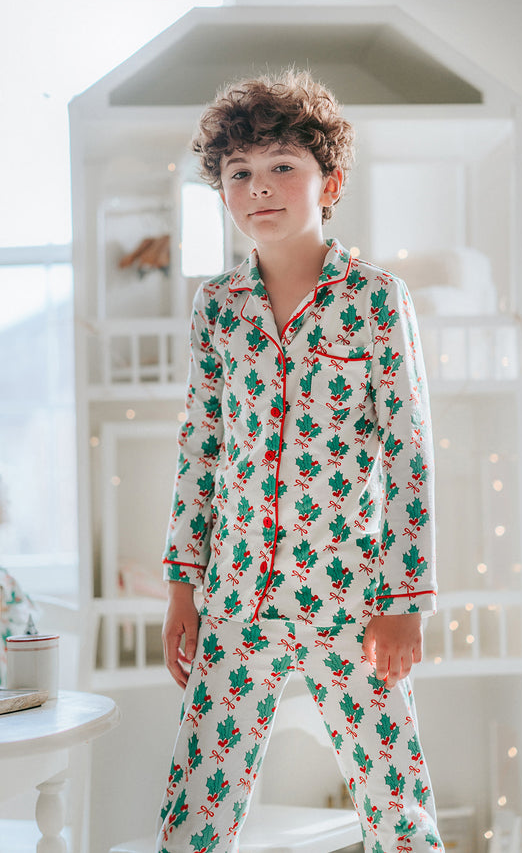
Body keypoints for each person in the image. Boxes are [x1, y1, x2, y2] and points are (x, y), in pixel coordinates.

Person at [156, 69, 443, 853]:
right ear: (221, 192)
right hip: (235, 595)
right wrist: (183, 585)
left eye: (282, 164)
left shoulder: (376, 299)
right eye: (238, 173)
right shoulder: (218, 308)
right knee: (193, 813)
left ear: (330, 179)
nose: (259, 187)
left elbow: (410, 455)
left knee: (397, 805)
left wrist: (404, 598)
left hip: (351, 598)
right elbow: (200, 448)